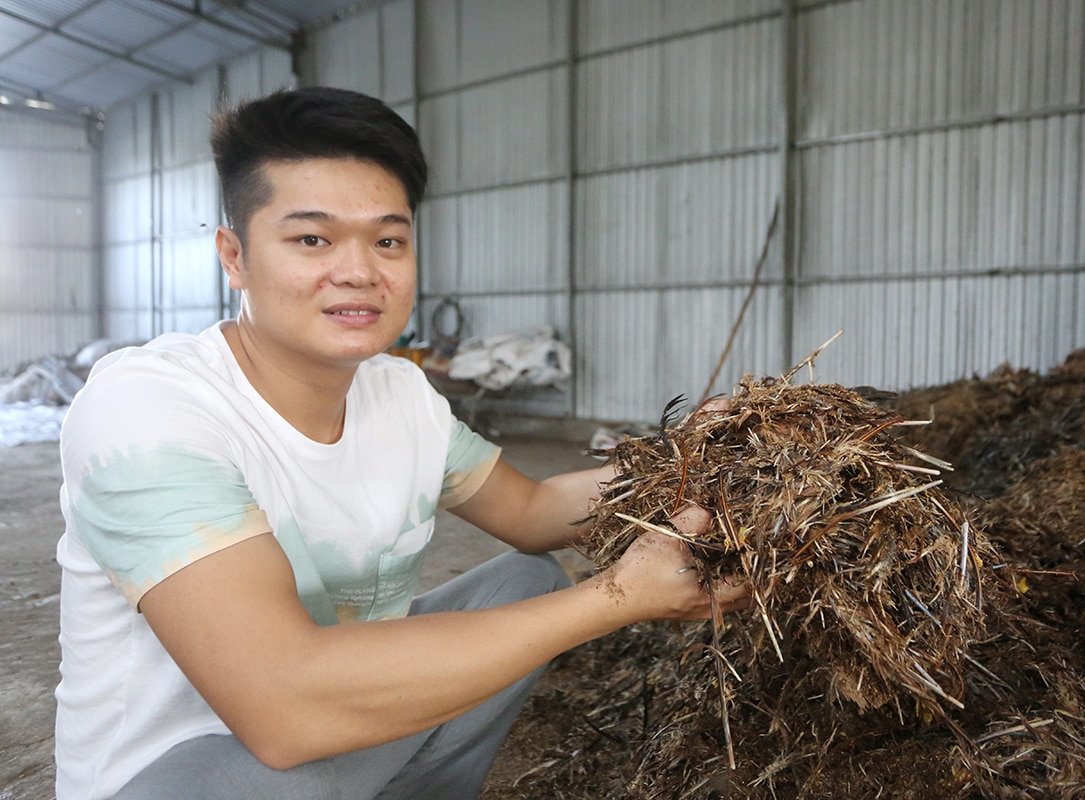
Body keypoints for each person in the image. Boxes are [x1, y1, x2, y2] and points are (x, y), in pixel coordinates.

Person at [54, 86, 747, 800]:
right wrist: (620, 596)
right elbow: (283, 710)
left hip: (336, 741)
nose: (359, 271)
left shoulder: (397, 392)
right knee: (295, 755)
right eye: (312, 239)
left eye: (388, 240)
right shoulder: (147, 411)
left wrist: (696, 460)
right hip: (197, 770)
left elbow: (533, 509)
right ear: (235, 257)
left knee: (526, 581)